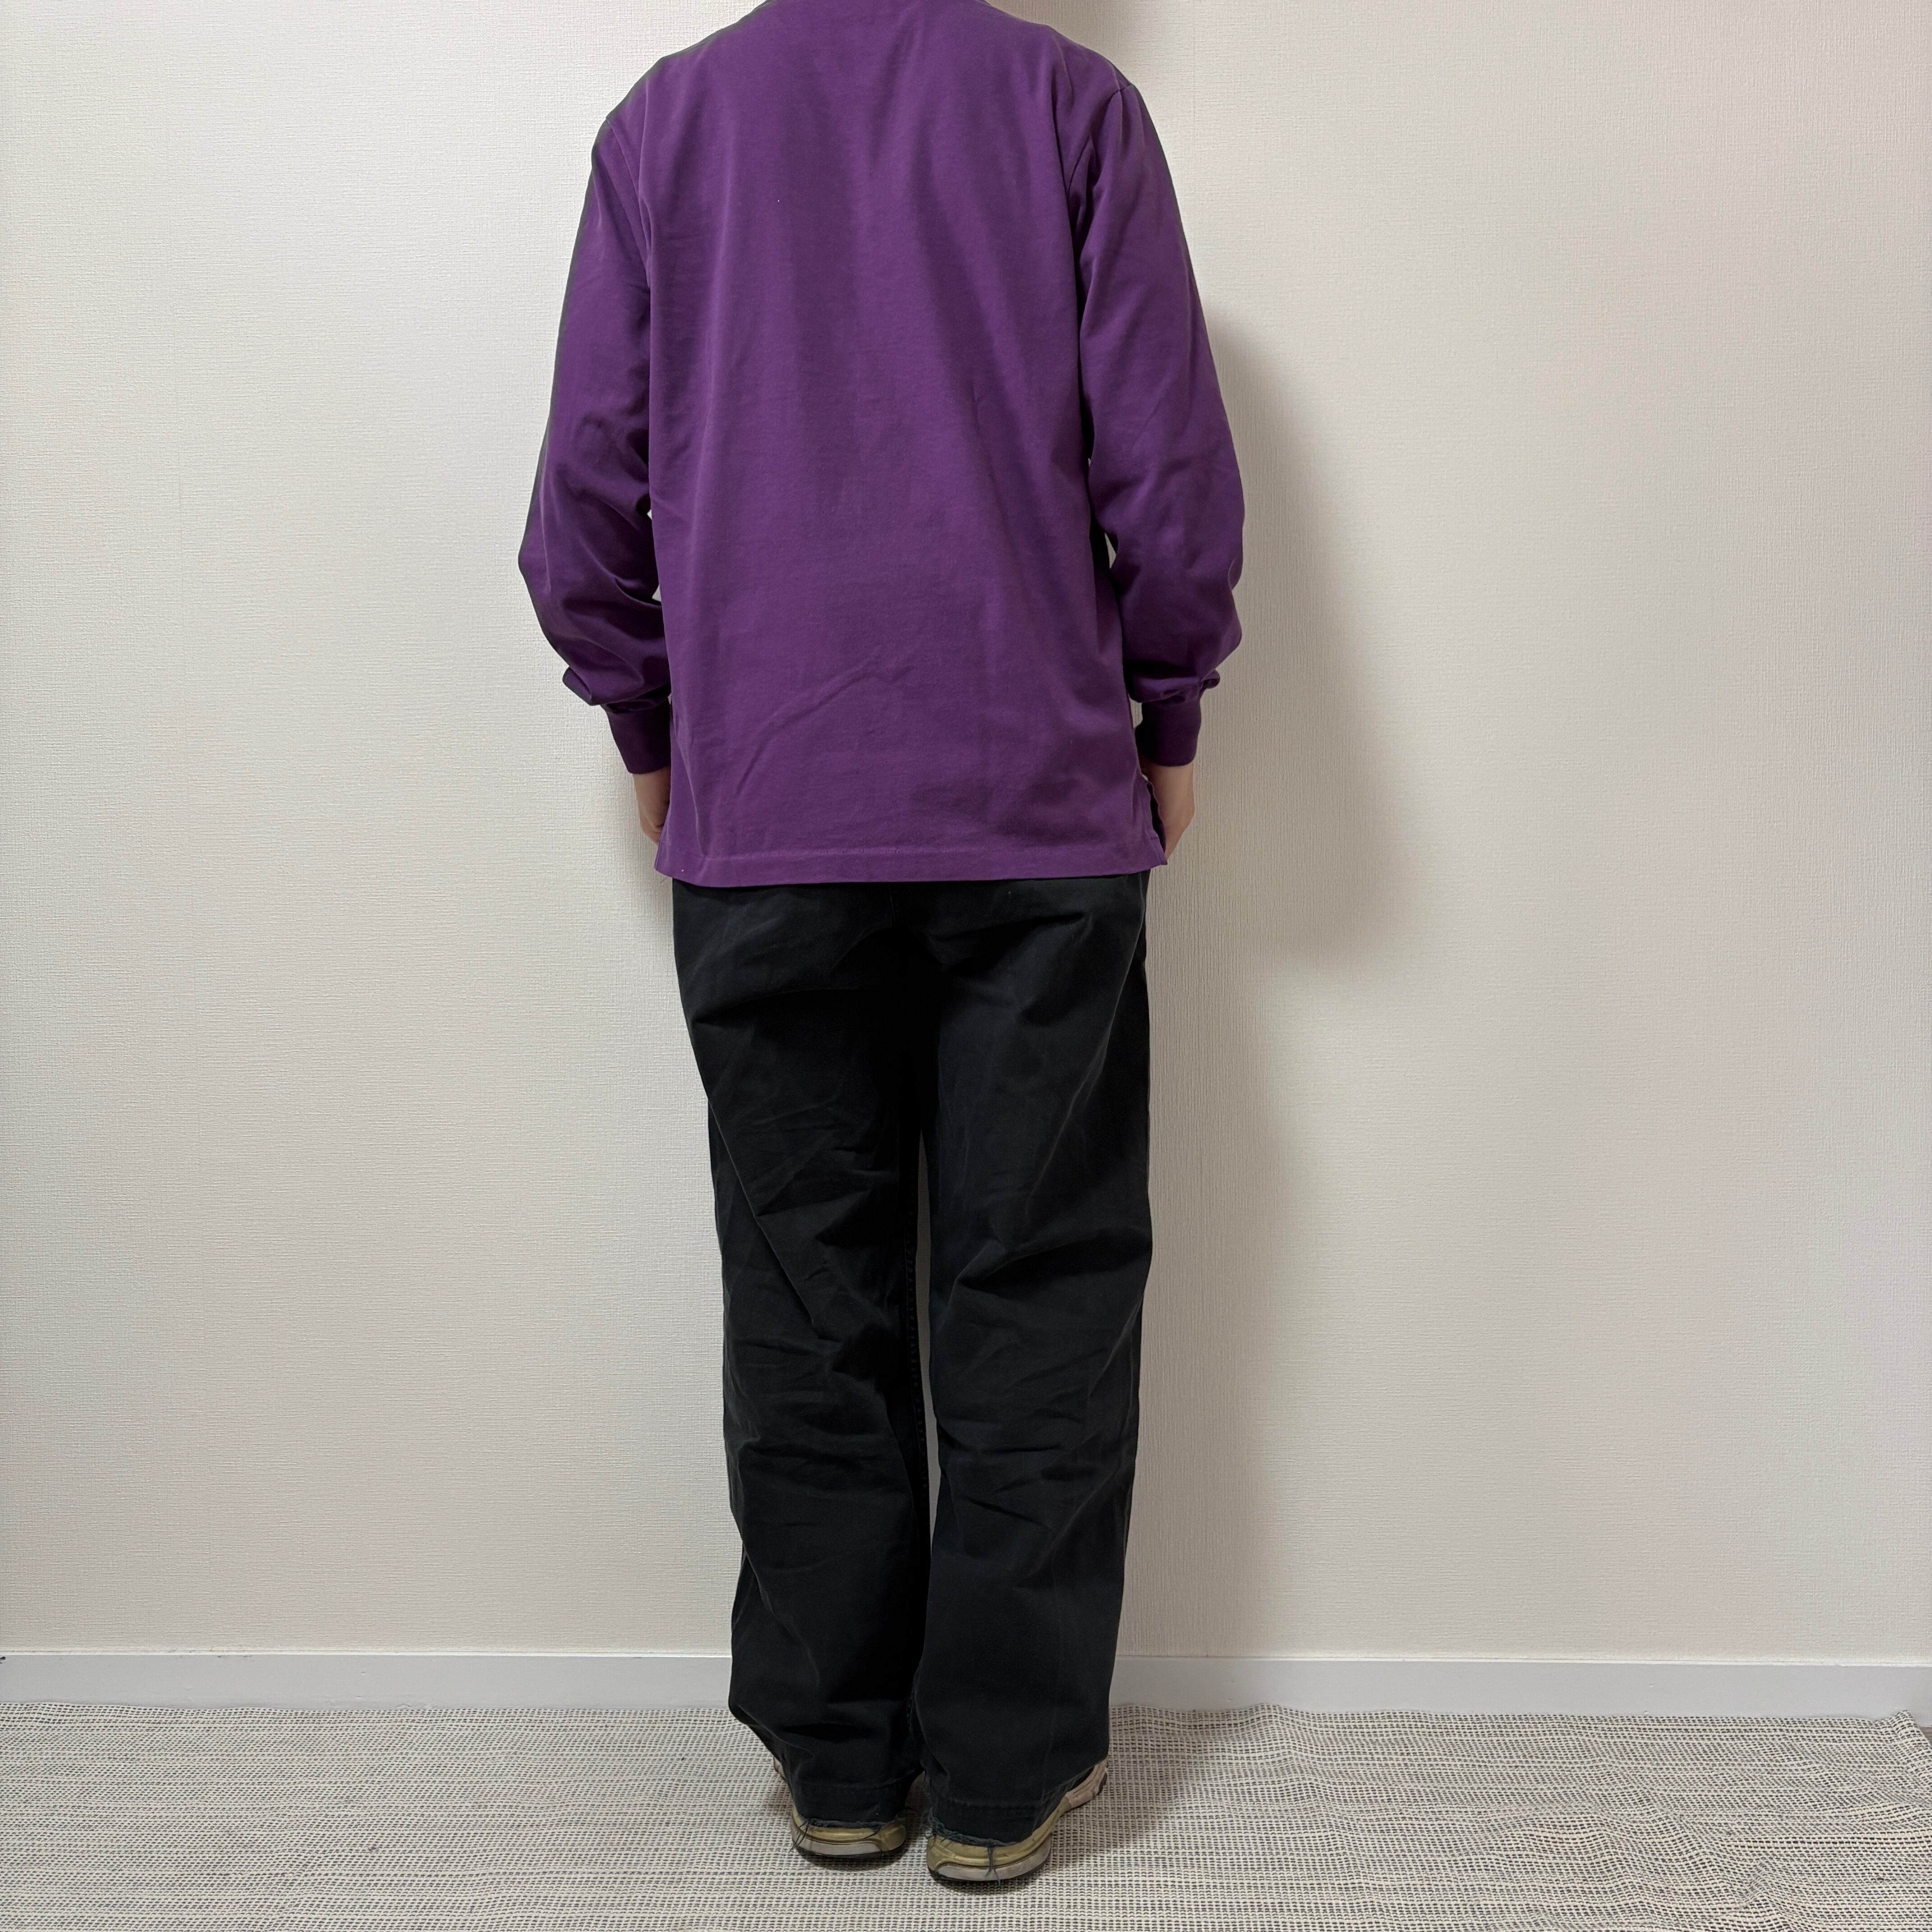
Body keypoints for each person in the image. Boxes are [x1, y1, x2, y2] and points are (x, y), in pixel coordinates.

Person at [518, 0, 1243, 1887]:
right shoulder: (1071, 107)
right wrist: (1169, 710)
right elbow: (1166, 475)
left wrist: (651, 722)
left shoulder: (671, 124)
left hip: (768, 811)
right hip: (1036, 814)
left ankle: (843, 1761)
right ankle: (1001, 1777)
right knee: (1039, 1288)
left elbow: (583, 500)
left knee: (806, 1298)